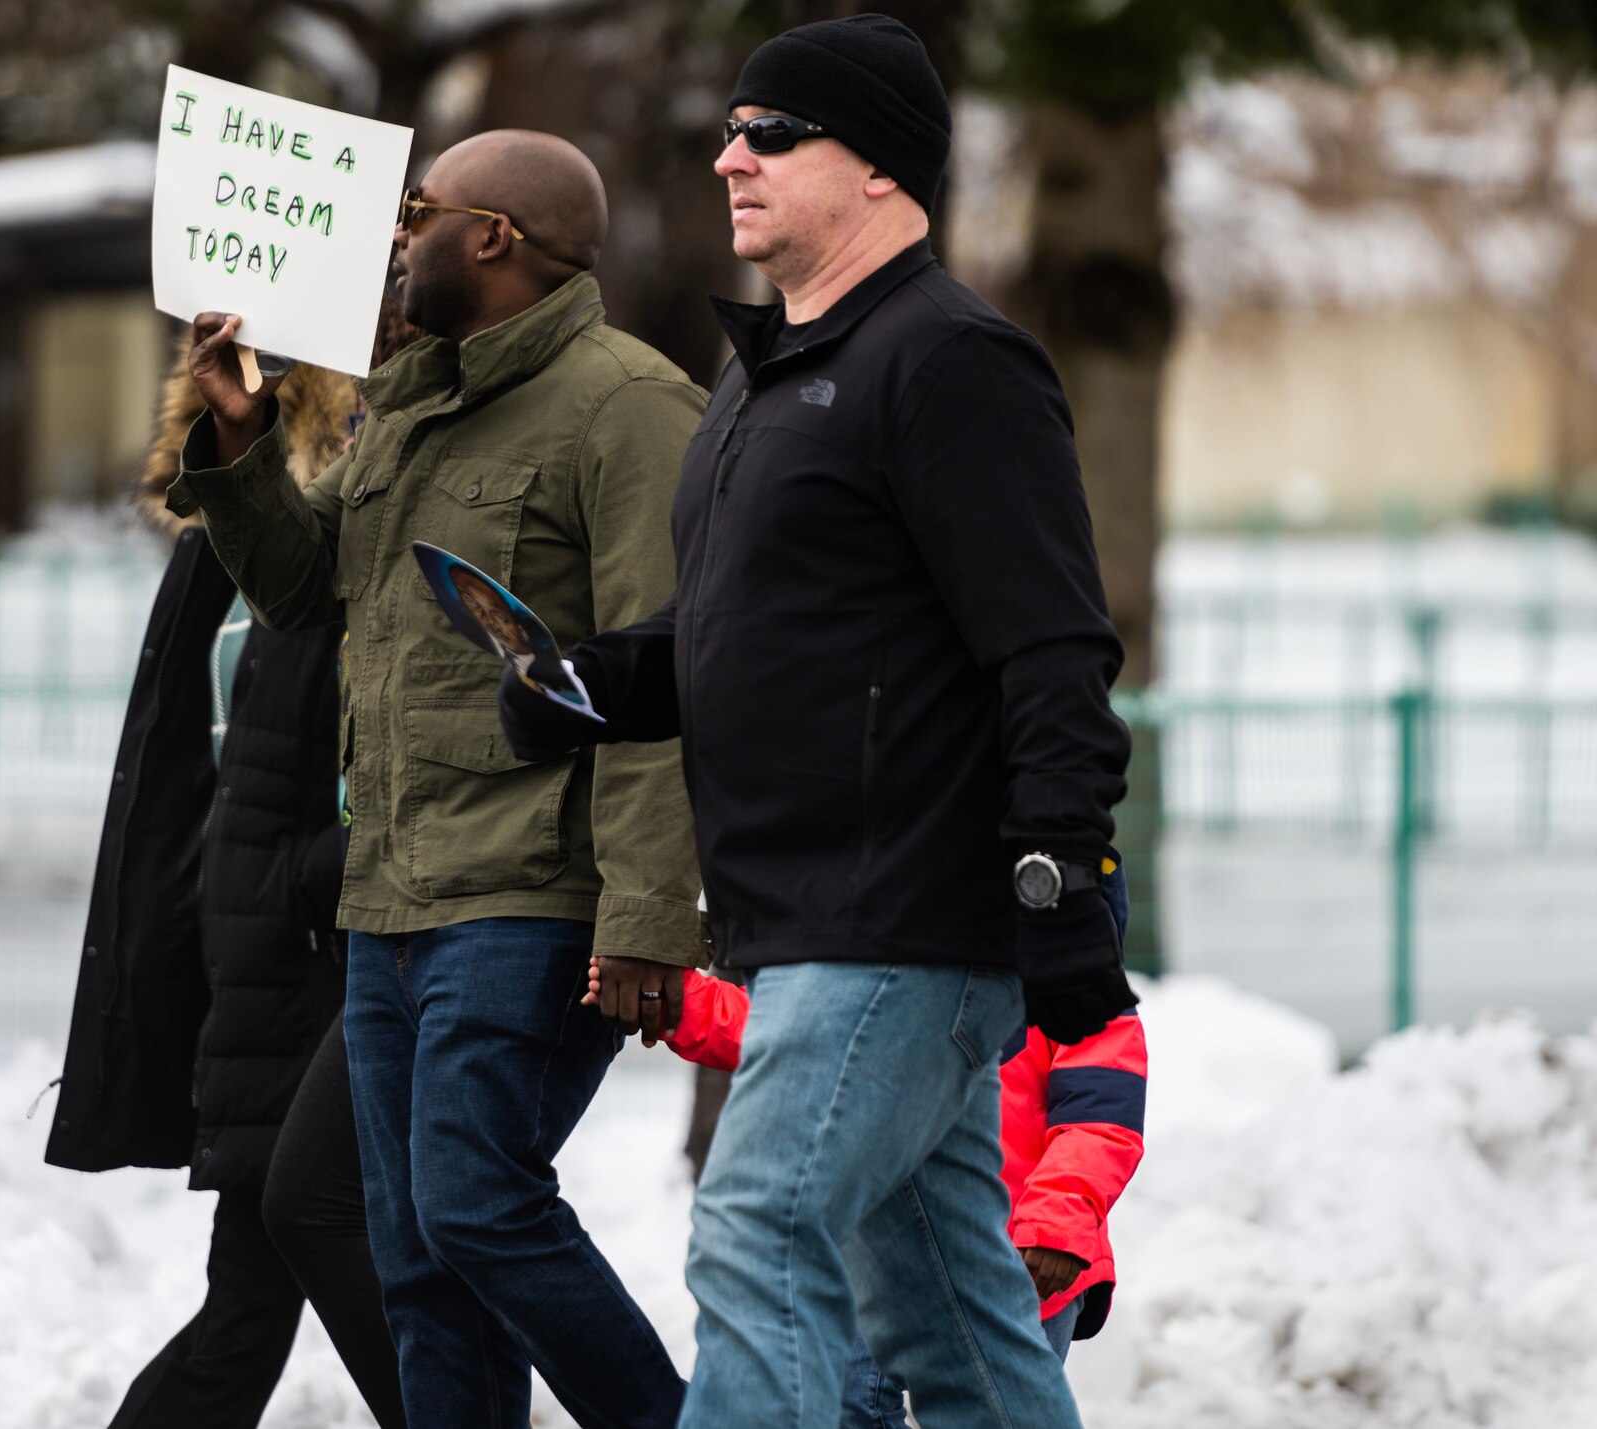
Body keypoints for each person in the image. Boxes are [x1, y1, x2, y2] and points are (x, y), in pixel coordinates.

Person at [498, 15, 1136, 1428]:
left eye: (774, 133)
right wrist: (591, 683)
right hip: (802, 925)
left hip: (900, 922)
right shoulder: (761, 381)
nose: (731, 156)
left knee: (757, 1230)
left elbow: (1054, 652)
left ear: (882, 174)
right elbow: (749, 636)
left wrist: (1057, 877)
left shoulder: (955, 361)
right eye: (731, 129)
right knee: (947, 1316)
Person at [167, 129, 705, 1429]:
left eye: (418, 213)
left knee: (476, 1203)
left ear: (494, 238)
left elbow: (672, 681)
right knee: (412, 1252)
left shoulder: (628, 404)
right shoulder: (407, 404)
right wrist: (238, 447)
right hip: (393, 898)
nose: (395, 239)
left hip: (530, 897)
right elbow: (306, 595)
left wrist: (646, 915)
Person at [45, 331, 407, 1429]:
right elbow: (200, 771)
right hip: (274, 953)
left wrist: (322, 873)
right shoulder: (241, 550)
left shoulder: (363, 532)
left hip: (325, 947)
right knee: (287, 1280)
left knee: (281, 1283)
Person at [593, 858, 1147, 1426]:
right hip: (878, 1241)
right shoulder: (903, 981)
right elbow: (799, 1036)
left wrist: (1055, 1224)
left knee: (993, 1402)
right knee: (849, 1405)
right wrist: (690, 1004)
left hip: (1022, 1264)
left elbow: (1100, 1124)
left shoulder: (1084, 1003)